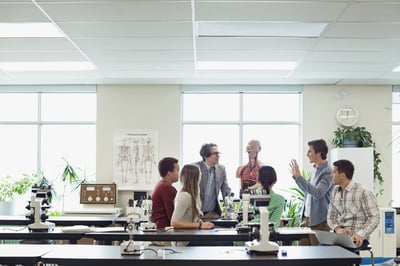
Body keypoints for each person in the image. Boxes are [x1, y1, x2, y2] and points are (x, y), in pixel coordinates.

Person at [289, 139, 333, 246]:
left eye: (310, 151)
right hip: (306, 219)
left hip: (319, 222)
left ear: (319, 153)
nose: (307, 154)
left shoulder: (327, 171)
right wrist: (296, 177)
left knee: (318, 257)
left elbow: (318, 193)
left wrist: (300, 177)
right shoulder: (314, 170)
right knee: (304, 256)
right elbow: (307, 191)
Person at [328, 159, 380, 249]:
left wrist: (360, 234)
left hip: (356, 239)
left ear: (342, 175)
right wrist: (338, 229)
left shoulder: (364, 193)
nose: (331, 175)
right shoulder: (334, 192)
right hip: (339, 238)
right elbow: (331, 217)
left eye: (334, 172)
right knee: (321, 250)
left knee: (339, 254)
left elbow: (374, 218)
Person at [171, 164, 214, 246]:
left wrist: (199, 221)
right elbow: (174, 223)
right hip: (184, 241)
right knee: (224, 242)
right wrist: (200, 225)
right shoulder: (185, 196)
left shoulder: (192, 195)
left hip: (190, 236)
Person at [195, 143, 231, 219]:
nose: (218, 156)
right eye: (215, 153)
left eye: (218, 153)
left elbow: (226, 190)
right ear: (206, 156)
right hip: (195, 212)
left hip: (212, 213)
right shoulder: (195, 168)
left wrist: (230, 209)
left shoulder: (221, 169)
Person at [150, 157, 179, 229]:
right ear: (169, 173)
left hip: (158, 227)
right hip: (164, 229)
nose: (179, 173)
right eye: (177, 170)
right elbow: (173, 215)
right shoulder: (167, 188)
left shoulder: (160, 184)